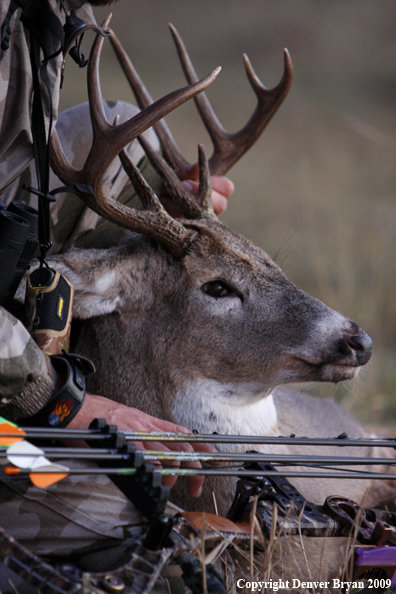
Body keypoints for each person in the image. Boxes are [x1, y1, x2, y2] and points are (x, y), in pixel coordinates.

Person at [0, 0, 234, 563]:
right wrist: (57, 403)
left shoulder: (40, 14)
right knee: (122, 509)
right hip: (14, 412)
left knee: (133, 138)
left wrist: (155, 194)